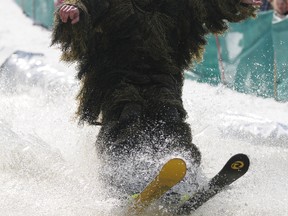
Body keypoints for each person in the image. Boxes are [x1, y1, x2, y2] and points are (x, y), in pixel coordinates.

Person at [52, 0, 262, 194]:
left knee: (169, 119)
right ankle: (121, 180)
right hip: (117, 76)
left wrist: (237, 2)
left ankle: (183, 175)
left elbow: (212, 6)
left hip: (161, 75)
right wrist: (73, 11)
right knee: (128, 119)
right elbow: (83, 6)